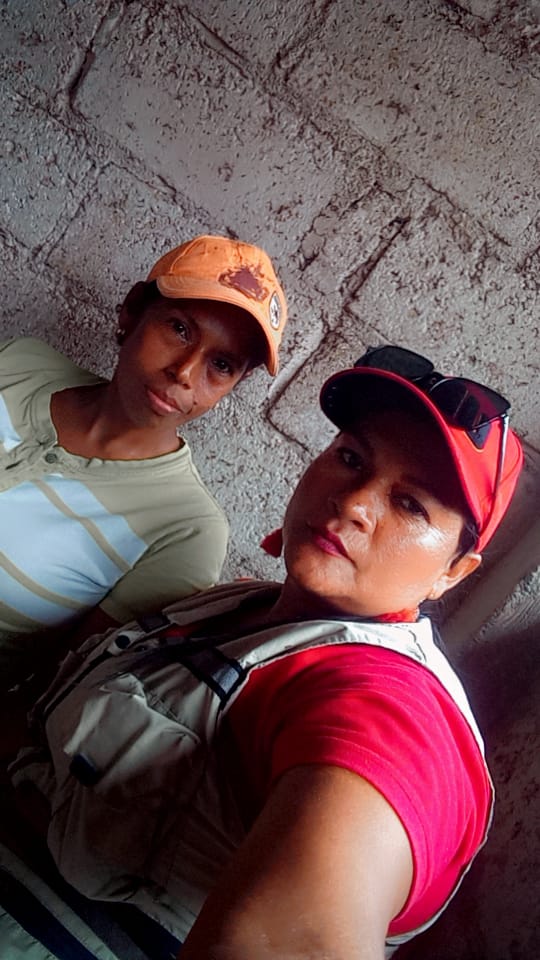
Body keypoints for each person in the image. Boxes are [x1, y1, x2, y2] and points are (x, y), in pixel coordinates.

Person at [8, 345, 523, 959]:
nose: (354, 504)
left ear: (453, 573)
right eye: (351, 458)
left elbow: (307, 936)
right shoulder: (241, 607)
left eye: (411, 504)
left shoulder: (392, 706)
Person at [0, 234, 288, 690]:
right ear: (132, 311)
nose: (185, 372)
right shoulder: (22, 363)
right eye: (179, 329)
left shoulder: (186, 532)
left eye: (222, 365)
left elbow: (58, 693)